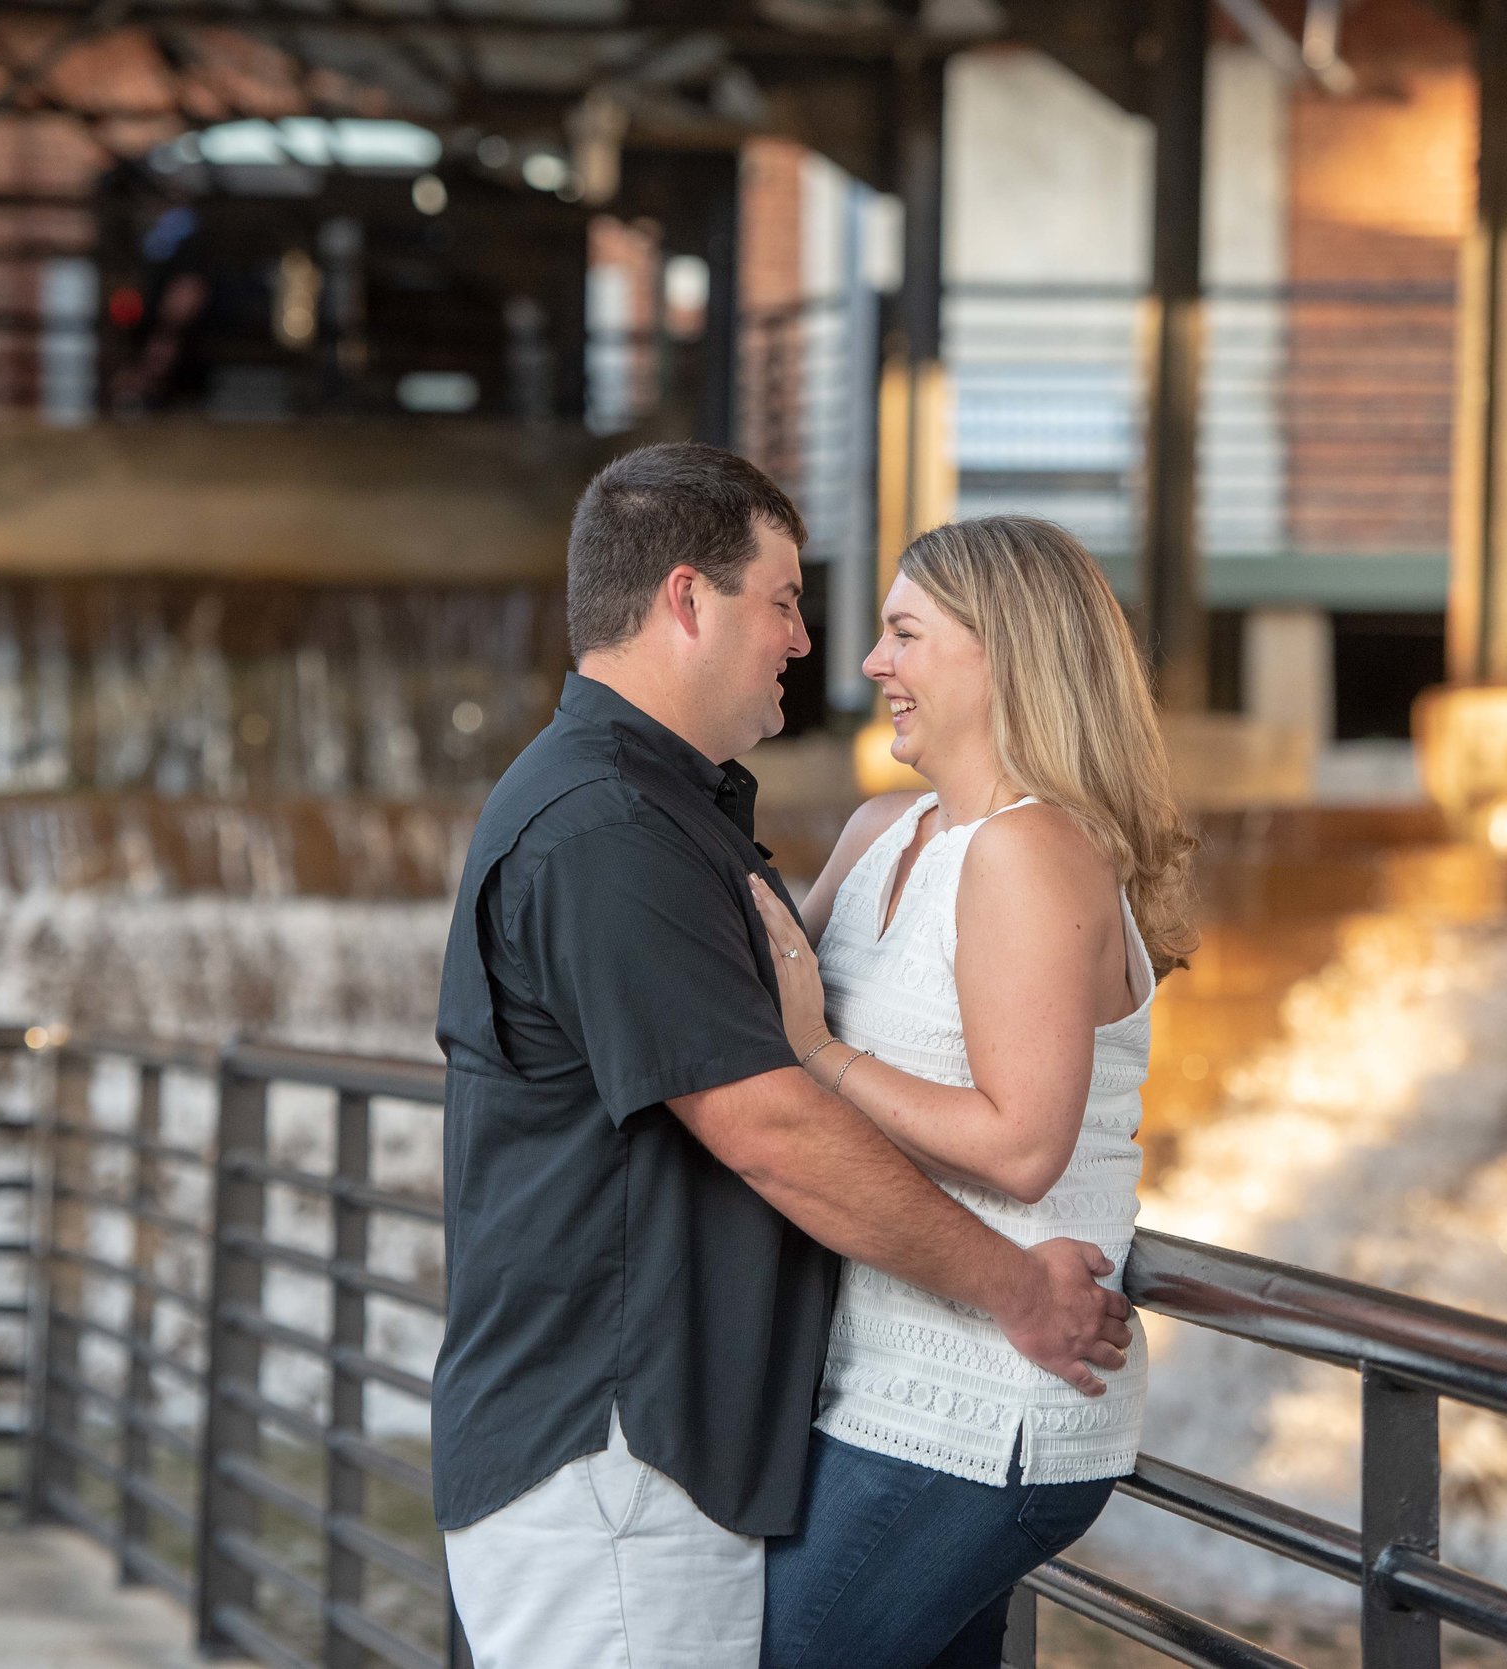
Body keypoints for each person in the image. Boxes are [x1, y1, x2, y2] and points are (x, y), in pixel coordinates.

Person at [431, 447, 1134, 1669]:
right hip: (620, 1440)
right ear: (688, 601)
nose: (820, 647)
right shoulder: (608, 829)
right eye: (786, 602)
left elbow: (837, 1082)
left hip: (773, 1426)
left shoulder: (668, 813)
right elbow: (765, 1114)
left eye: (894, 629)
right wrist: (1019, 1289)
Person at [745, 513, 1199, 1669]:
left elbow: (1020, 1144)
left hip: (990, 1406)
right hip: (865, 1381)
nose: (869, 664)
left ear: (1002, 651)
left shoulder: (1030, 850)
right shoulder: (881, 828)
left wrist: (822, 1055)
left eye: (903, 633)